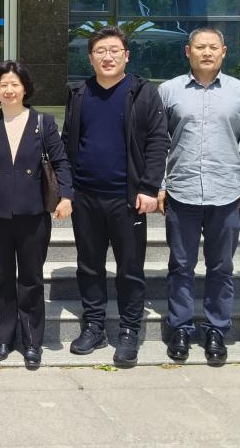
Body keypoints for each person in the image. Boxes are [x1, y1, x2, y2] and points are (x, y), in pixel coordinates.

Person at [159, 27, 240, 366]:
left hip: (227, 194)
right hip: (182, 192)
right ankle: (180, 327)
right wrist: (159, 184)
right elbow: (158, 144)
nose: (206, 52)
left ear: (223, 52)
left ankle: (217, 329)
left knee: (221, 267)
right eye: (200, 47)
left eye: (213, 47)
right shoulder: (168, 91)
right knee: (181, 266)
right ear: (187, 51)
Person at [62, 26, 168, 368]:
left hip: (128, 198)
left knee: (130, 268)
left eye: (114, 51)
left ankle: (128, 330)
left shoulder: (143, 93)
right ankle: (94, 326)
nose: (107, 57)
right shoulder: (79, 92)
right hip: (86, 196)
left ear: (126, 55)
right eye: (100, 51)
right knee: (89, 265)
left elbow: (158, 142)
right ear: (90, 58)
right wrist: (67, 189)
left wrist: (149, 188)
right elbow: (68, 142)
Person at [0, 60, 72, 369]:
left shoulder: (43, 121)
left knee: (31, 279)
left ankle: (31, 341)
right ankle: (3, 337)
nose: (9, 90)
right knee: (1, 278)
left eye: (15, 84)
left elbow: (61, 162)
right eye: (3, 84)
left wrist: (67, 196)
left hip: (33, 214)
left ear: (25, 88)